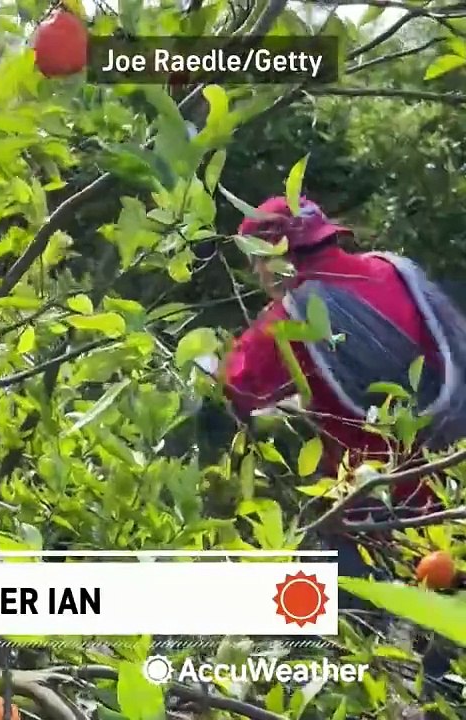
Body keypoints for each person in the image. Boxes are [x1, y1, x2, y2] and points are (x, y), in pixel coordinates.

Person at [218, 195, 465, 687]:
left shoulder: (284, 324)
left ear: (275, 260)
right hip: (453, 499)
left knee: (365, 661)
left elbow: (237, 392)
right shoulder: (399, 272)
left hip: (372, 522)